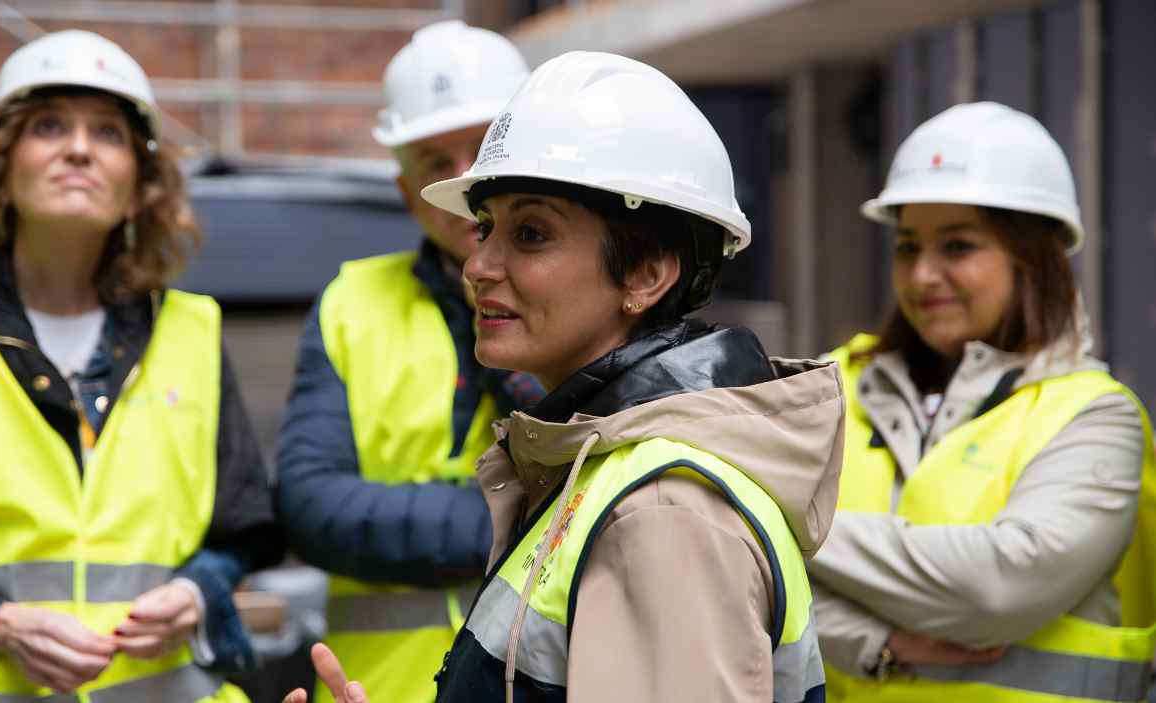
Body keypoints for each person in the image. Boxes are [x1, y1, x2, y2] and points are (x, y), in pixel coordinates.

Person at [285, 50, 843, 703]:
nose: (478, 264)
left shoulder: (662, 516)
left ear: (646, 274)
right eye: (487, 226)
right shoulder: (599, 468)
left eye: (530, 233)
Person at [0, 30, 280, 701]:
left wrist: (200, 590)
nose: (78, 148)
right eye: (48, 126)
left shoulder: (192, 331)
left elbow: (243, 531)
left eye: (108, 133)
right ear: (1, 168)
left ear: (138, 187)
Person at [809, 101, 1156, 702]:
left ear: (1033, 258)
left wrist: (798, 528)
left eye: (959, 247)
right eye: (908, 246)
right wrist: (873, 641)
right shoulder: (828, 386)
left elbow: (996, 589)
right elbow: (740, 573)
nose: (922, 276)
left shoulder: (1096, 418)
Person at [273, 20, 539, 703]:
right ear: (404, 188)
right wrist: (521, 516)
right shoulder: (351, 301)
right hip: (377, 689)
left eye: (480, 149)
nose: (464, 181)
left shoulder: (584, 292)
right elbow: (311, 506)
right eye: (433, 162)